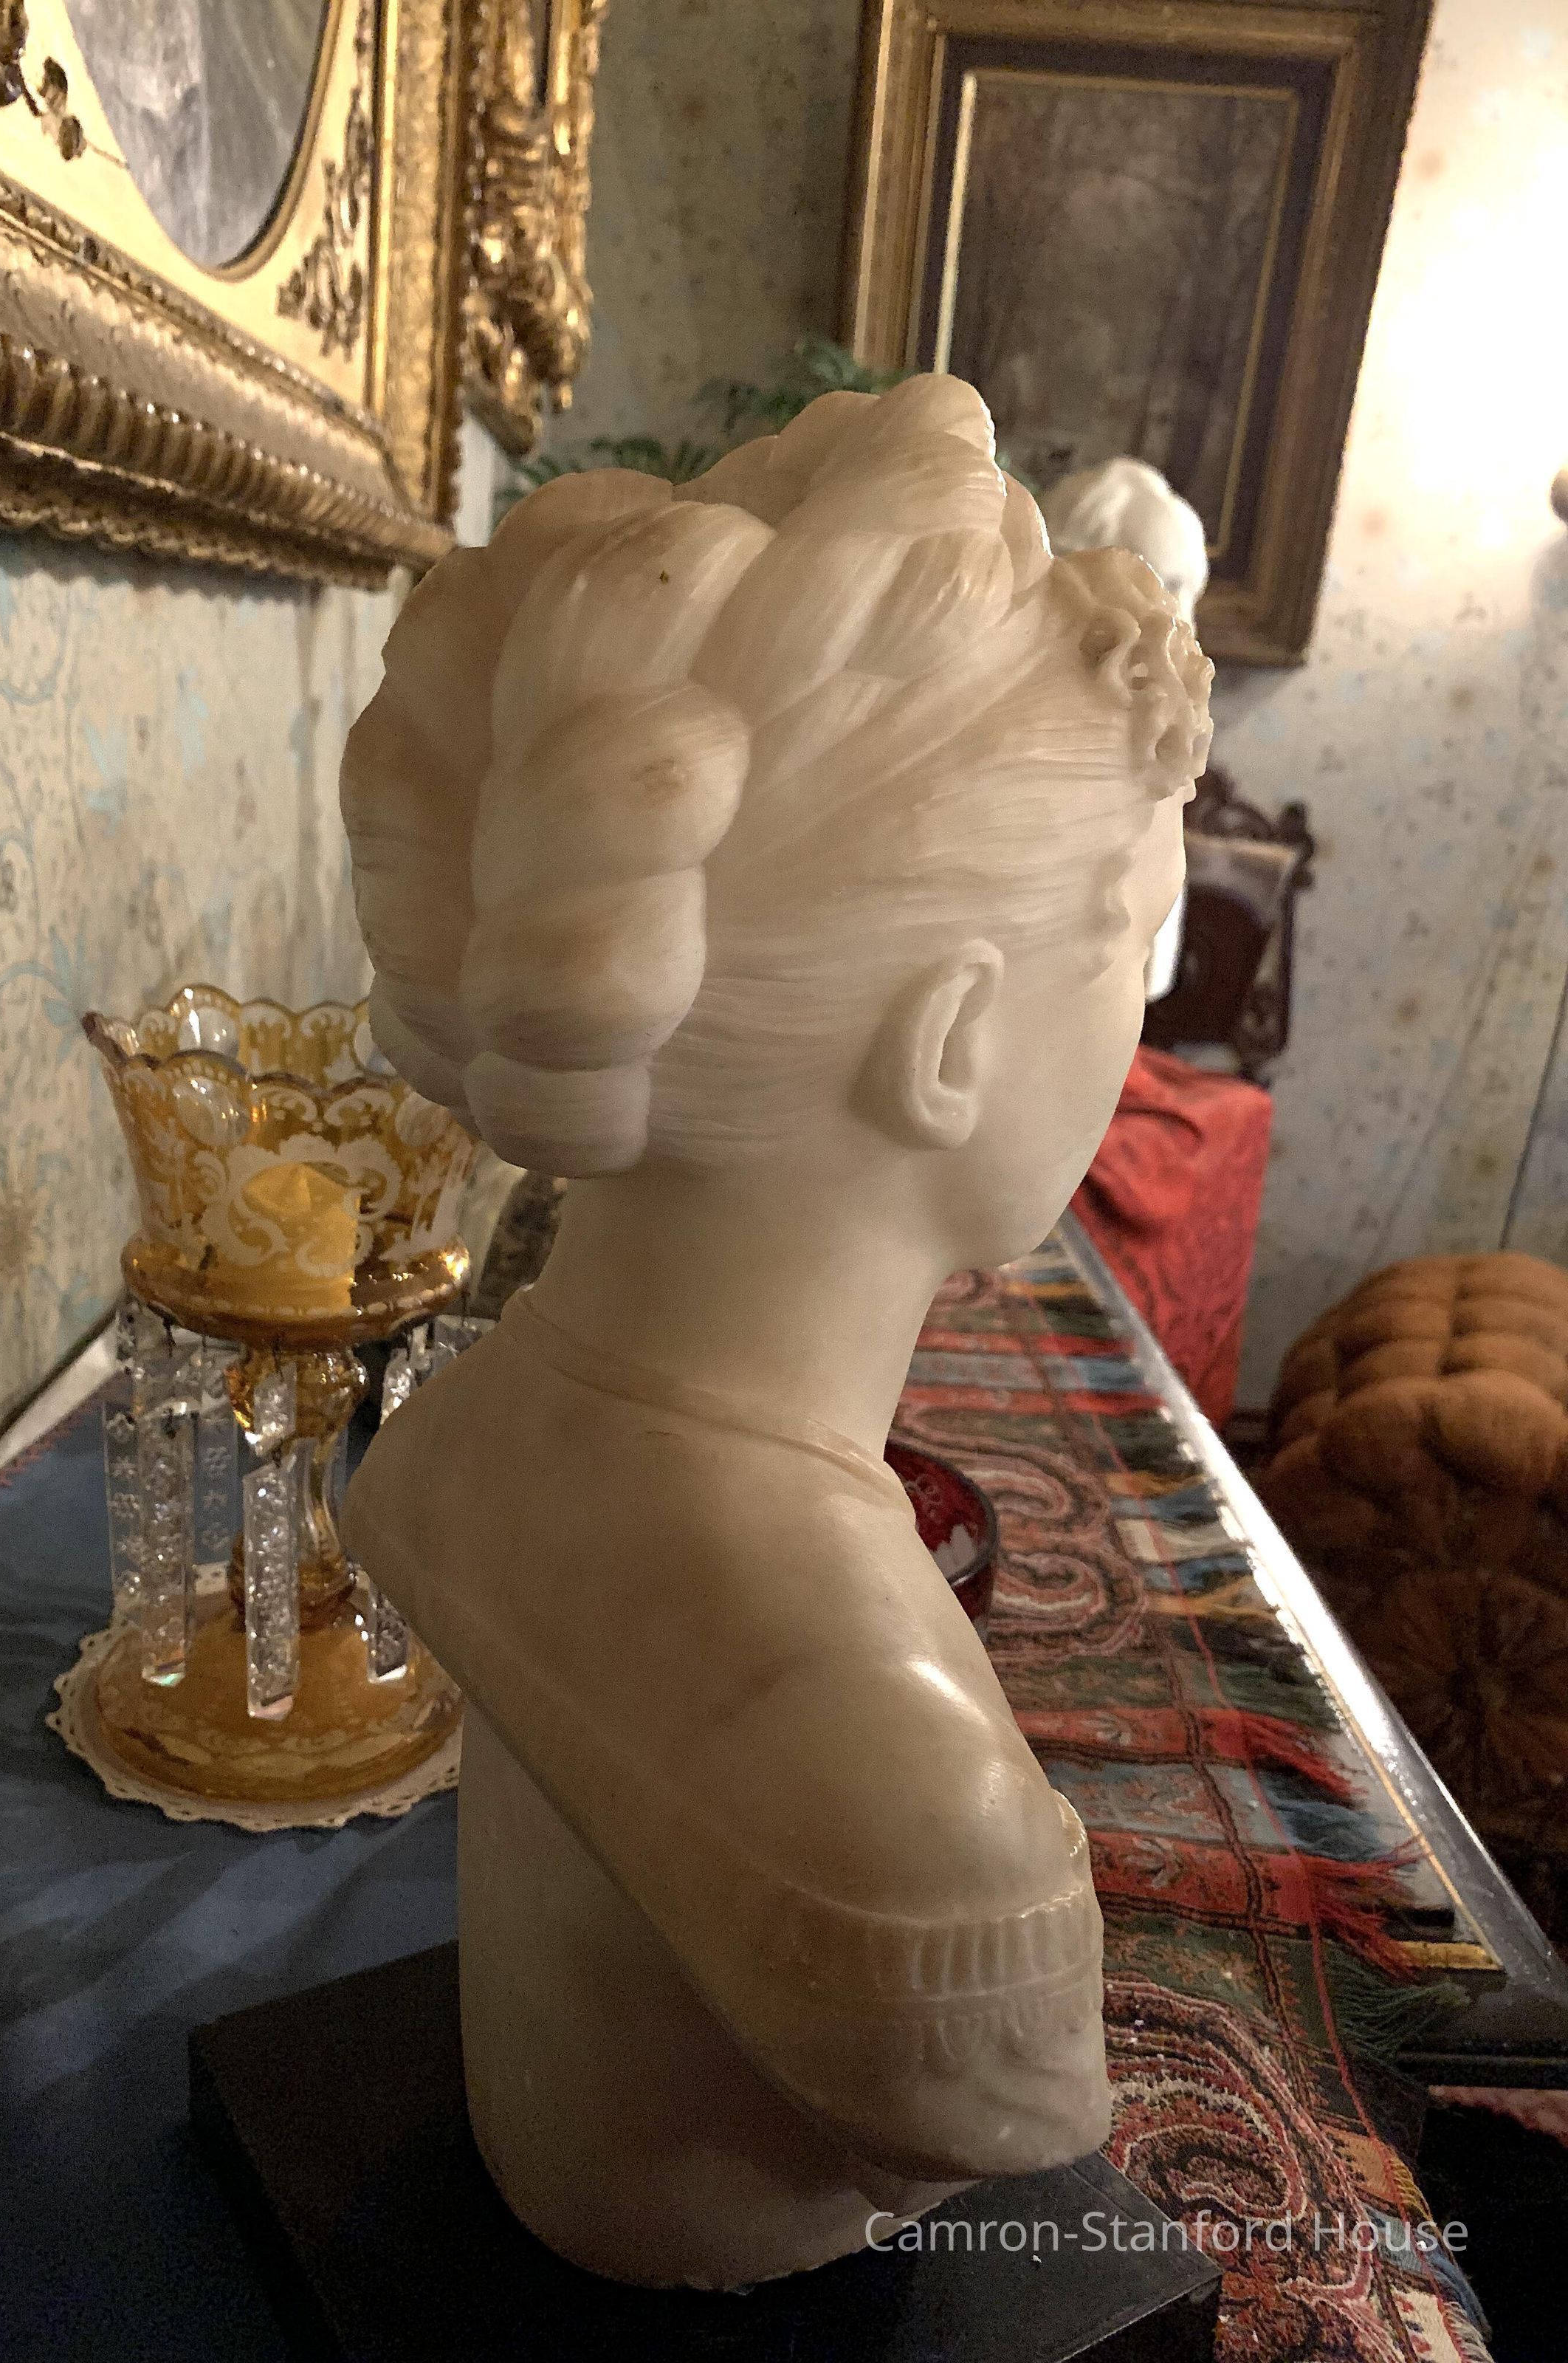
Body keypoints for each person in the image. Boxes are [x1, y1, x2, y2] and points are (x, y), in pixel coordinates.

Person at [340, 374, 1213, 2285]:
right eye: (1129, 956)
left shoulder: (475, 1422)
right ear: (949, 1040)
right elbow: (1009, 2110)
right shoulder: (923, 1823)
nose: (1138, 1035)